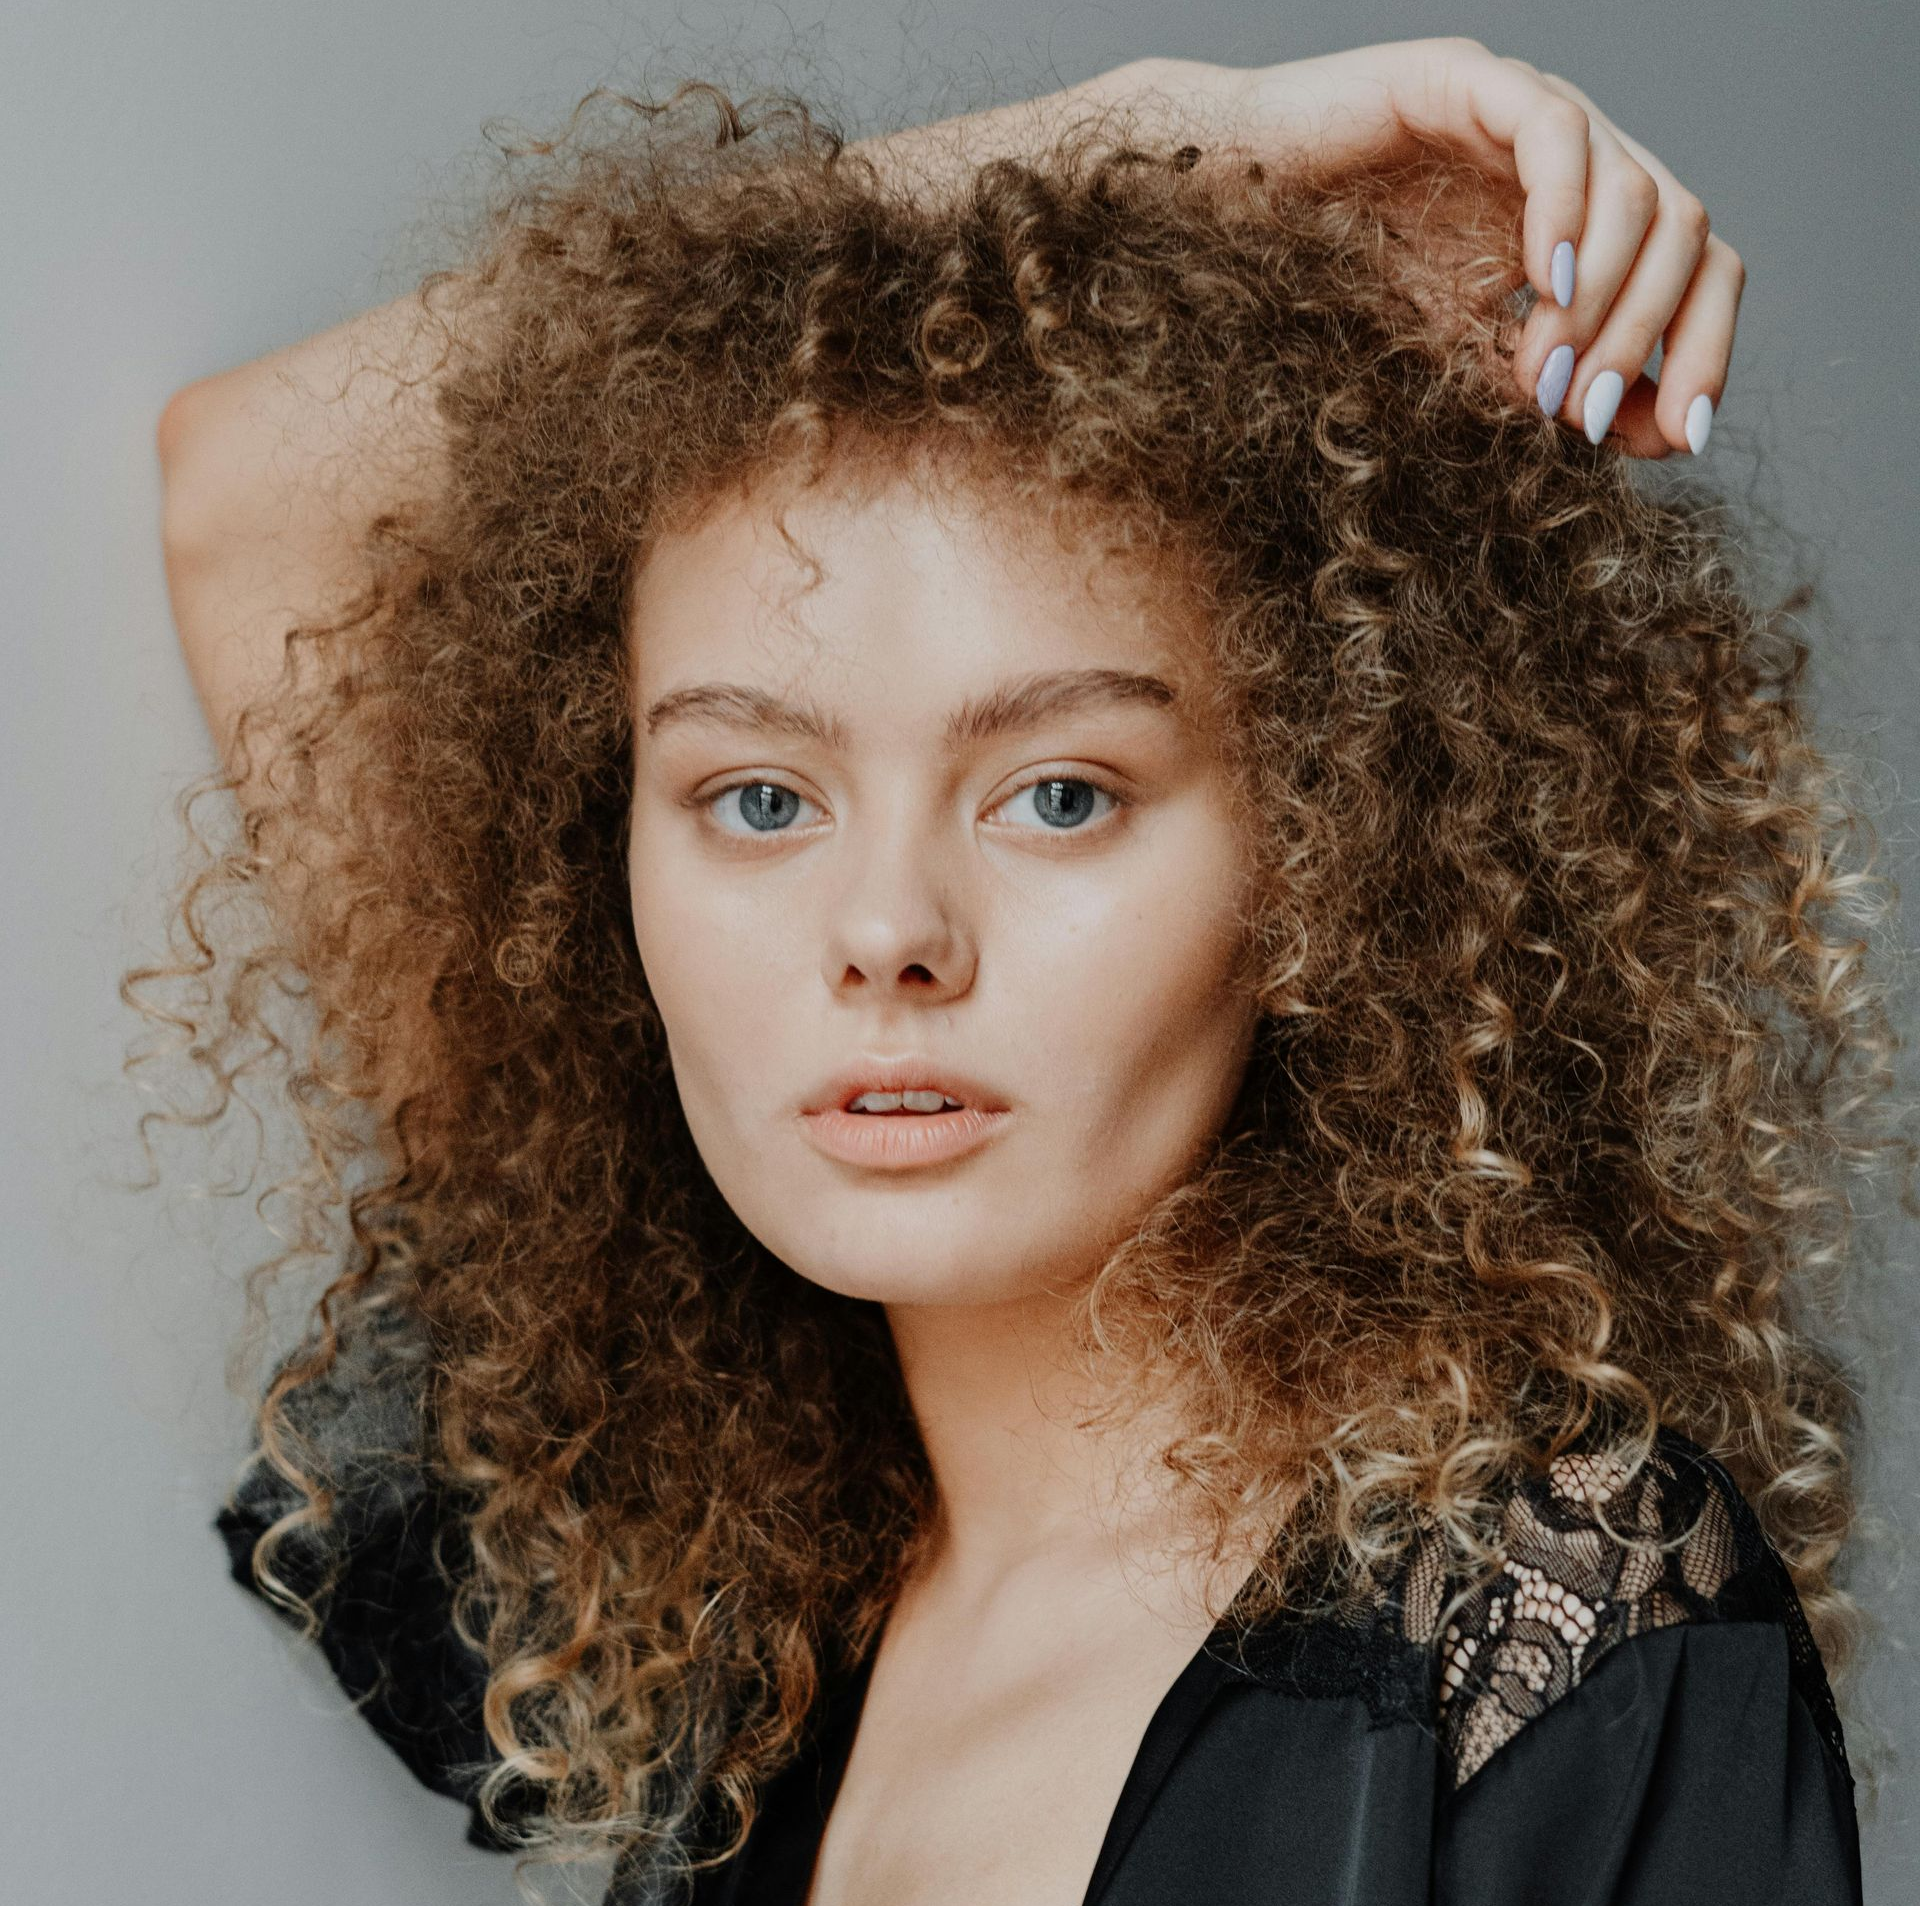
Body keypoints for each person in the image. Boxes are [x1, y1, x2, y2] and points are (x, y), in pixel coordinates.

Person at [140, 40, 1889, 1906]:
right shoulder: (689, 1614)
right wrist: (1170, 142)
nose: (888, 928)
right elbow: (250, 489)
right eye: (757, 797)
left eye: (1059, 793)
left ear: (1329, 853)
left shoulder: (1556, 1635)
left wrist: (1139, 215)